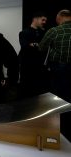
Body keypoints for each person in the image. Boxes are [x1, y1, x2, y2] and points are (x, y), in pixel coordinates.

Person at [39, 9, 71, 141]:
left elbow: (42, 47)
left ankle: (57, 126)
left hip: (58, 67)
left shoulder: (54, 31)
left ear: (60, 17)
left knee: (57, 96)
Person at [18, 12, 49, 97]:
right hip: (26, 66)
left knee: (38, 91)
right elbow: (25, 45)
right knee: (26, 89)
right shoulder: (24, 32)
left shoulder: (44, 33)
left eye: (45, 20)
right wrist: (38, 44)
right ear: (35, 19)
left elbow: (45, 47)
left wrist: (33, 44)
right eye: (43, 20)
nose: (44, 22)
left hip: (39, 67)